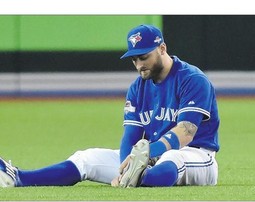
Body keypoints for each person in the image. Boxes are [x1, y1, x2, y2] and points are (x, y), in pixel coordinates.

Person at [0, 24, 220, 188]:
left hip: (195, 156)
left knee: (173, 159)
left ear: (162, 48)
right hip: (149, 158)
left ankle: (141, 178)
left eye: (144, 56)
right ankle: (19, 177)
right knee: (86, 159)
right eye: (134, 59)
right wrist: (126, 164)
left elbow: (186, 132)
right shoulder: (137, 87)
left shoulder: (191, 78)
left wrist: (144, 157)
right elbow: (130, 136)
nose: (139, 65)